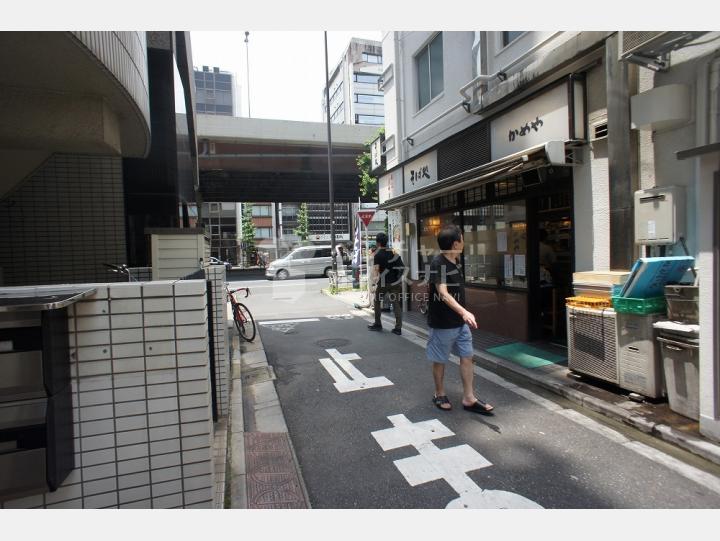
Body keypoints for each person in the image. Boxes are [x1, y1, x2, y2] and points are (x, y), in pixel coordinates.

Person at [426, 224, 494, 414]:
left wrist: (462, 315)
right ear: (456, 243)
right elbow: (443, 293)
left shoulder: (454, 262)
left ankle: (469, 398)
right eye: (462, 239)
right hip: (442, 323)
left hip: (459, 323)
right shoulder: (438, 263)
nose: (464, 242)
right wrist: (464, 312)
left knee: (467, 356)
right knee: (440, 360)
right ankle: (439, 393)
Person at [367, 232, 404, 335]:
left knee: (377, 301)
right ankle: (398, 328)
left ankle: (378, 324)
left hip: (383, 282)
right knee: (396, 304)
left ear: (378, 243)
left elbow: (376, 271)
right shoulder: (393, 252)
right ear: (386, 241)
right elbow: (402, 267)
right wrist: (398, 278)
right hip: (395, 282)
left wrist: (374, 283)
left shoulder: (378, 255)